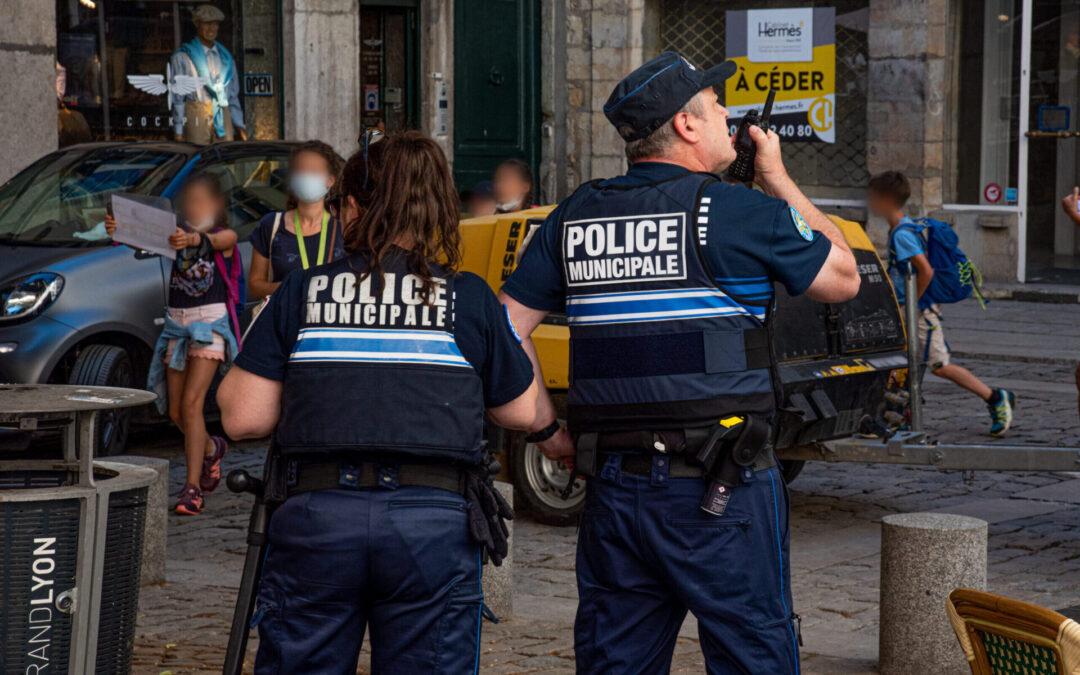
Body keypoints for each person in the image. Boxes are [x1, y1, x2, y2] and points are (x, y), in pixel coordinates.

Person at [499, 51, 861, 673]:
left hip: (614, 490)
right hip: (721, 489)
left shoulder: (574, 215)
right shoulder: (739, 212)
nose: (728, 116)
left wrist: (545, 431)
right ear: (687, 126)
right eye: (716, 105)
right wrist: (775, 174)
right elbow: (843, 278)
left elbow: (505, 330)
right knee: (754, 658)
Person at [217, 131, 538, 673]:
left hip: (317, 520)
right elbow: (523, 412)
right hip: (432, 526)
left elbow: (242, 417)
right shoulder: (468, 298)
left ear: (354, 207)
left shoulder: (302, 290)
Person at [106, 174, 242, 515]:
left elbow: (223, 239)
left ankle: (191, 488)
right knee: (175, 410)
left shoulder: (222, 236)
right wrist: (115, 228)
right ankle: (211, 448)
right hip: (176, 324)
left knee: (193, 405)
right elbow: (135, 237)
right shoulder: (173, 233)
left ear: (217, 204)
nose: (195, 206)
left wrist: (196, 237)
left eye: (202, 200)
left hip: (209, 324)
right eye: (190, 201)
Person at [869, 171, 1016, 437]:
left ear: (886, 200)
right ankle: (900, 415)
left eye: (873, 197)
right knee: (903, 361)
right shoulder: (905, 226)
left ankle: (995, 397)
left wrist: (913, 306)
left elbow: (925, 271)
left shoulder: (902, 234)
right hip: (911, 308)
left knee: (939, 365)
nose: (870, 203)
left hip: (919, 311)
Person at [248, 141, 346, 301]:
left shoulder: (343, 228)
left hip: (326, 322)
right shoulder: (271, 225)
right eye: (301, 170)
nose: (306, 176)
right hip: (284, 322)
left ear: (330, 180)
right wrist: (294, 286)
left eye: (314, 171)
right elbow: (254, 286)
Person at [170, 4, 246, 144]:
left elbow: (233, 97)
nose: (211, 28)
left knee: (224, 159)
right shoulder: (183, 57)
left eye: (215, 24)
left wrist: (240, 125)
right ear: (197, 24)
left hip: (223, 115)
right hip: (196, 112)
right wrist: (178, 131)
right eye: (207, 23)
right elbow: (178, 99)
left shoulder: (227, 59)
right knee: (198, 159)